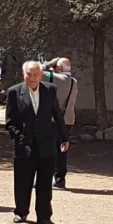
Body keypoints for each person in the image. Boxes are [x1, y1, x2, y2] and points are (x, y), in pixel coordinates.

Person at [6, 61, 69, 224]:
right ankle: (21, 212)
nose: (32, 78)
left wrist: (64, 137)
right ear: (23, 74)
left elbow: (57, 114)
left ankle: (44, 216)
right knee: (22, 182)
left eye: (35, 74)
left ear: (41, 75)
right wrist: (20, 139)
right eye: (29, 74)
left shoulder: (50, 90)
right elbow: (10, 122)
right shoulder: (14, 92)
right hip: (24, 146)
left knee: (44, 183)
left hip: (46, 145)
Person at [41, 57, 78, 189]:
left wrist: (48, 64)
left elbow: (35, 71)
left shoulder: (54, 78)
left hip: (54, 120)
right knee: (62, 150)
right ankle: (60, 179)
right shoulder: (74, 82)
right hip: (68, 119)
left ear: (59, 69)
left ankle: (45, 178)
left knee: (47, 149)